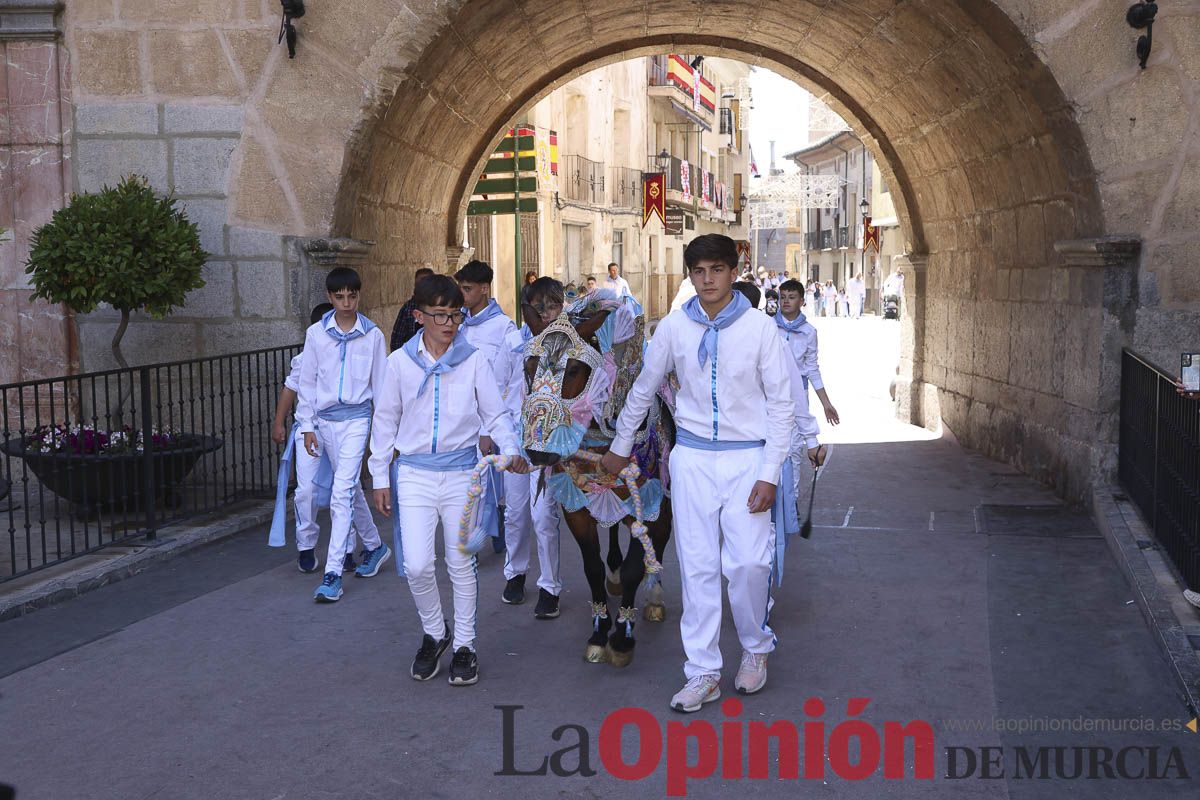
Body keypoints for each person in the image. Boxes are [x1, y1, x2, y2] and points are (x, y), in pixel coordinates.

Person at [601, 233, 793, 712]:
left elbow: (782, 406)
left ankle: (755, 647)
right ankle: (703, 671)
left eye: (717, 270)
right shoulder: (672, 327)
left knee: (748, 563)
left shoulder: (759, 329)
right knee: (699, 566)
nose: (707, 280)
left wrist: (770, 472)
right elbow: (644, 388)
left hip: (747, 460)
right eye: (698, 271)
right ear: (690, 275)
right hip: (691, 461)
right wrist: (621, 447)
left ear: (734, 272)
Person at [369, 275, 529, 685]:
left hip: (463, 474)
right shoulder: (399, 363)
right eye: (439, 314)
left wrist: (510, 450)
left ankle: (465, 645)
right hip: (415, 475)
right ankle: (434, 632)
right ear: (419, 316)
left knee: (460, 562)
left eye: (455, 314)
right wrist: (378, 475)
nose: (449, 322)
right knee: (418, 564)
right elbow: (385, 420)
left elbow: (495, 415)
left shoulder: (474, 359)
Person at [295, 267, 392, 602]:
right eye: (340, 296)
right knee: (347, 488)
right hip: (324, 423)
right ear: (329, 297)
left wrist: (384, 436)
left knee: (340, 493)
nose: (347, 302)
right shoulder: (316, 335)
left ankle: (332, 573)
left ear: (359, 295)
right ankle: (376, 547)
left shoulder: (374, 335)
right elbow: (306, 382)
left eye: (352, 295)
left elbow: (381, 388)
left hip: (357, 420)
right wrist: (306, 424)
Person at [270, 302, 375, 573]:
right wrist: (279, 422)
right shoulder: (305, 356)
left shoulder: (357, 346)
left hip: (341, 426)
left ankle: (349, 549)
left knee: (346, 488)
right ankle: (306, 544)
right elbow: (292, 388)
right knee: (306, 489)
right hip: (310, 429)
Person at [492, 277, 567, 618]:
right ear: (526, 312)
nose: (547, 315)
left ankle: (550, 586)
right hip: (514, 437)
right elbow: (495, 393)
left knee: (543, 516)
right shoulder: (511, 344)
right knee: (516, 512)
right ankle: (515, 572)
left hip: (549, 441)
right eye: (540, 309)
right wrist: (490, 433)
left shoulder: (568, 345)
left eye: (553, 307)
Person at [389, 267, 435, 352]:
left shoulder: (439, 307)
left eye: (426, 283)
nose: (422, 288)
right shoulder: (408, 308)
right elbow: (397, 340)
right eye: (419, 284)